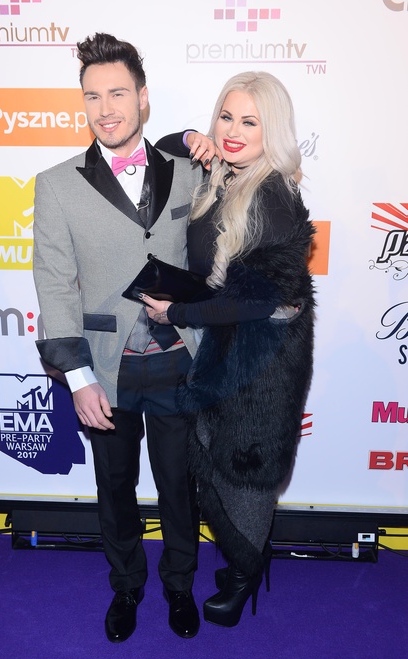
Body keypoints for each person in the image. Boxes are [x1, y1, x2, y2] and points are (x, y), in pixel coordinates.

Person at [32, 33, 206, 643]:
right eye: (92, 97)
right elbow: (54, 285)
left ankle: (179, 585)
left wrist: (197, 138)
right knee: (114, 487)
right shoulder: (55, 185)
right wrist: (77, 378)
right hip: (105, 369)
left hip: (179, 359)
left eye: (117, 94)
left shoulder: (190, 172)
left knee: (180, 487)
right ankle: (127, 584)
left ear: (143, 98)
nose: (105, 109)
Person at [142, 71, 316, 628]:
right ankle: (243, 559)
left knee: (246, 467)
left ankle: (245, 574)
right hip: (222, 348)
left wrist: (178, 314)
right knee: (215, 456)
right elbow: (160, 149)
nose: (233, 131)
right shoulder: (218, 172)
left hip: (264, 362)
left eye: (249, 122)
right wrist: (191, 137)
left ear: (273, 132)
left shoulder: (274, 196)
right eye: (226, 117)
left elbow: (256, 303)